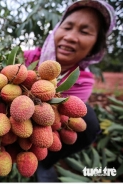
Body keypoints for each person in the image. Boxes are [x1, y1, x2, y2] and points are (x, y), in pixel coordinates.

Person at [23, 0, 116, 182]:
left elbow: (55, 119)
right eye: (68, 27)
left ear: (95, 45)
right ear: (56, 30)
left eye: (84, 31)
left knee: (87, 120)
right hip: (14, 117)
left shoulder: (83, 80)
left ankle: (45, 162)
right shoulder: (27, 58)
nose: (71, 37)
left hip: (44, 126)